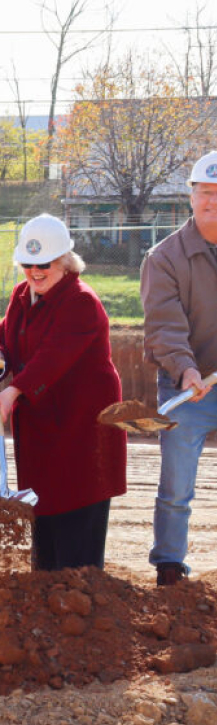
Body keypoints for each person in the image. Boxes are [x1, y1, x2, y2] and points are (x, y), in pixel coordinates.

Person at [0, 215, 127, 570]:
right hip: (43, 427)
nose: (34, 271)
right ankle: (46, 595)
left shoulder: (81, 301)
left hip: (82, 429)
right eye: (27, 264)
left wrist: (14, 390)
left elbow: (53, 357)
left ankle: (78, 601)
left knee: (77, 513)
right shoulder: (23, 294)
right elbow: (6, 333)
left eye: (43, 264)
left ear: (64, 262)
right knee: (44, 510)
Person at [142, 150, 217, 586]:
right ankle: (169, 566)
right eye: (205, 193)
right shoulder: (163, 258)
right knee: (177, 487)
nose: (212, 202)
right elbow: (165, 327)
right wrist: (186, 371)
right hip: (186, 386)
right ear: (191, 197)